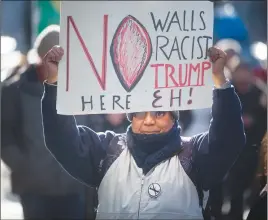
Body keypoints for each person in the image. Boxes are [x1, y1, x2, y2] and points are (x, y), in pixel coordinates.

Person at [41, 45, 245, 219]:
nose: (148, 121)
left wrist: (220, 82)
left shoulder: (195, 155)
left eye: (159, 113)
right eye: (139, 112)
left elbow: (228, 138)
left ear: (174, 116)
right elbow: (62, 139)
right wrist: (54, 84)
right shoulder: (106, 152)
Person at [1, 25, 87, 219]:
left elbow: (90, 127)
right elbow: (5, 135)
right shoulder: (14, 90)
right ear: (40, 59)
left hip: (73, 187)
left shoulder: (78, 89)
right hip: (34, 189)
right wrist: (26, 166)